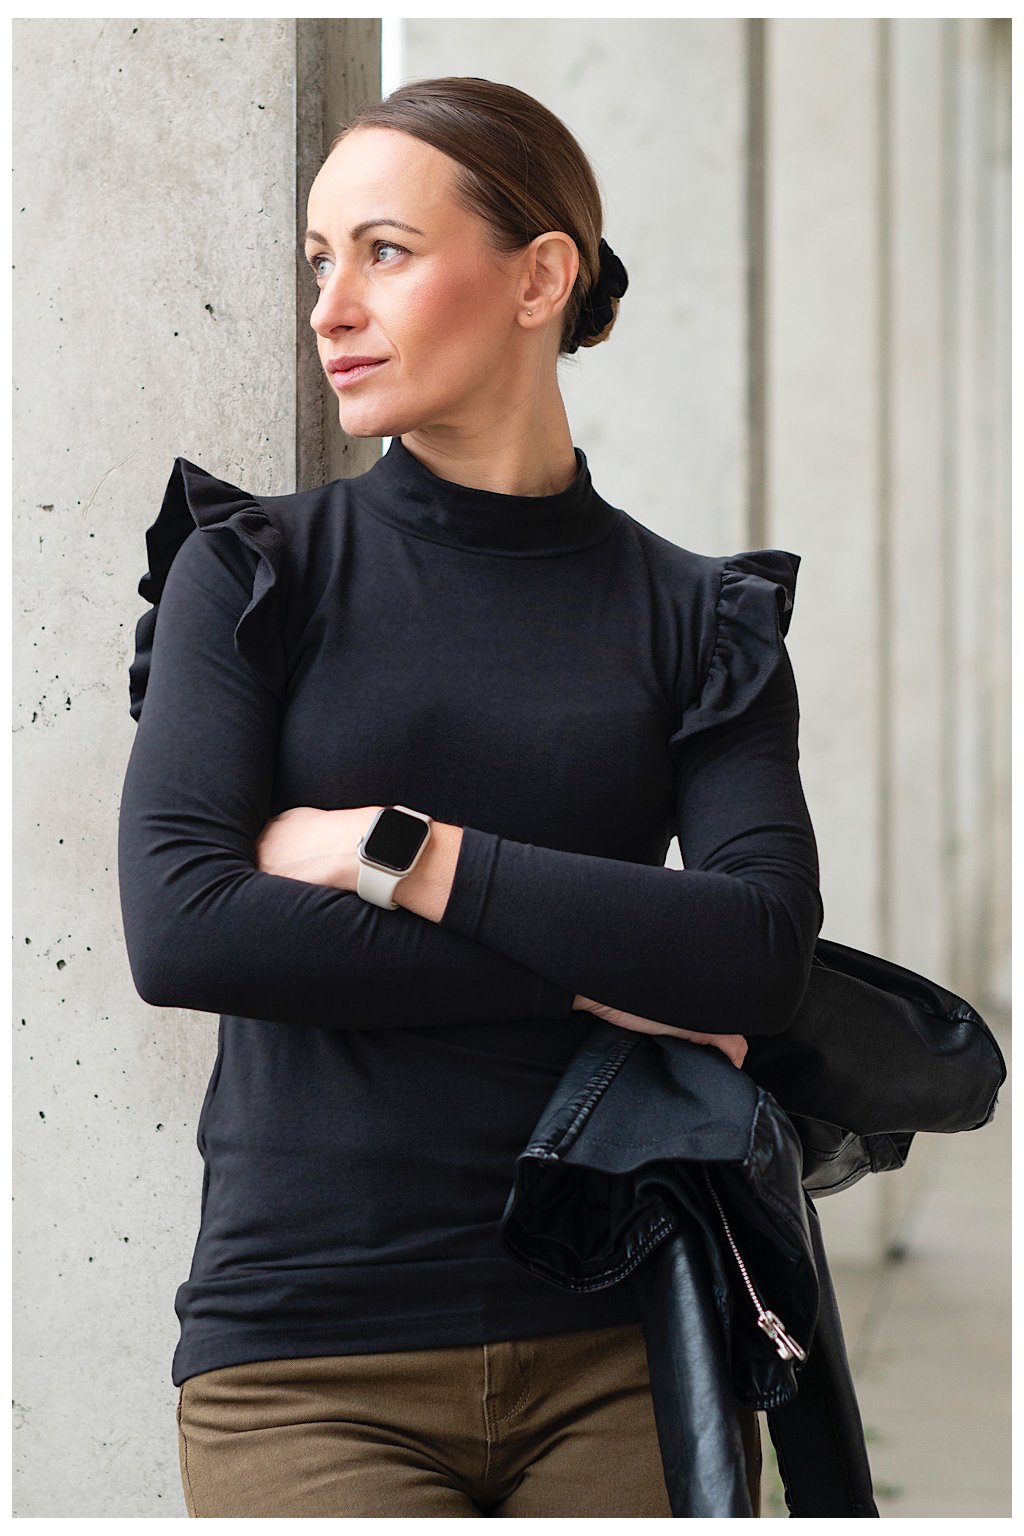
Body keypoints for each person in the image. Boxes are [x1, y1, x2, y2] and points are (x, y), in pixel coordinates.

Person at [117, 75, 822, 1518]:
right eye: (320, 260)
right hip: (309, 1356)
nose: (331, 308)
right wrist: (606, 975)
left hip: (628, 1334)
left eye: (384, 252)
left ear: (539, 277)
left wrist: (400, 854)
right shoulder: (252, 572)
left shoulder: (702, 620)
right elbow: (187, 930)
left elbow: (758, 954)